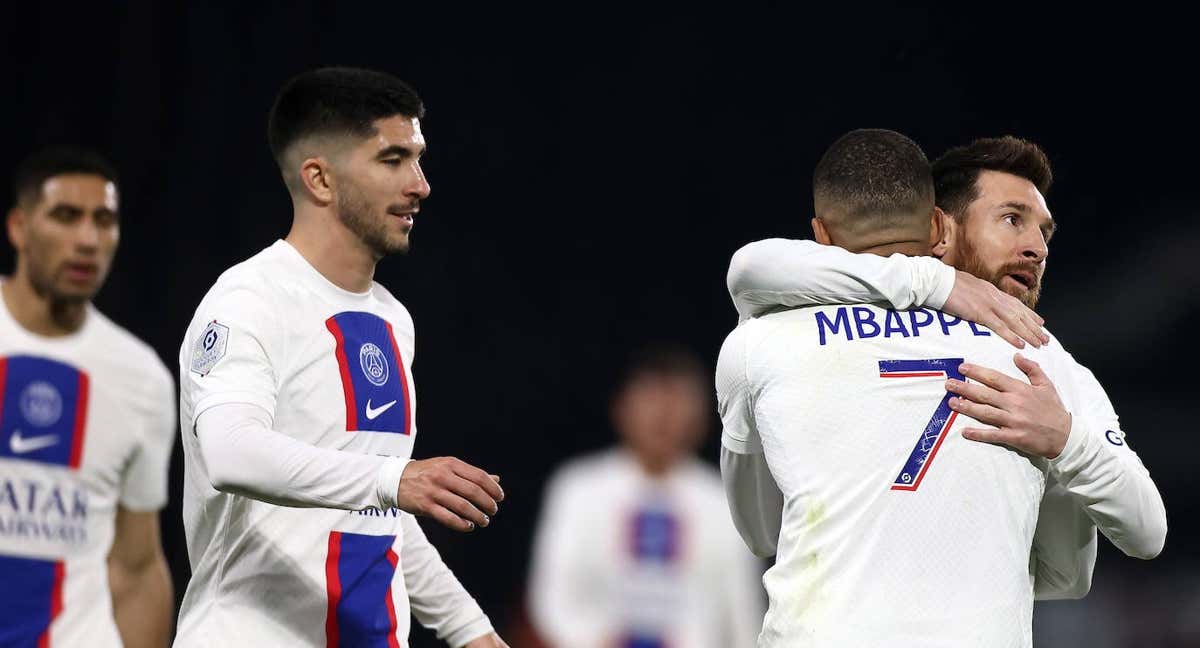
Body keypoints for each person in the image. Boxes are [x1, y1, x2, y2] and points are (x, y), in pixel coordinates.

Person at [715, 130, 1165, 646]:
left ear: (821, 235)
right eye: (1012, 219)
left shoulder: (762, 340)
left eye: (1045, 232)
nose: (1037, 248)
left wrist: (1063, 441)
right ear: (940, 227)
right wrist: (1068, 442)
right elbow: (1087, 565)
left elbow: (760, 534)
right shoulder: (1042, 361)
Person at [174, 68, 508, 648]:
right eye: (392, 159)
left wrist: (474, 633)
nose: (420, 184)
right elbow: (231, 450)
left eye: (419, 158)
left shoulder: (391, 321)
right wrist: (391, 477)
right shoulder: (249, 299)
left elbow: (377, 518)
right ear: (320, 179)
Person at [0, 147, 175, 647]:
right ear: (18, 228)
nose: (87, 240)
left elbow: (138, 568)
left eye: (104, 221)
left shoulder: (141, 379)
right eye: (65, 216)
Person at [529, 345, 762, 648]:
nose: (663, 415)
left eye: (678, 401)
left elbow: (743, 614)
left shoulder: (724, 502)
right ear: (622, 407)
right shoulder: (579, 489)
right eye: (651, 399)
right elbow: (553, 598)